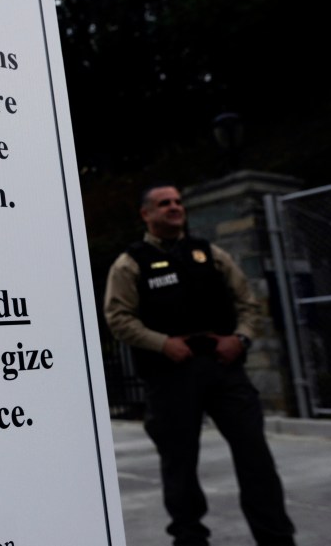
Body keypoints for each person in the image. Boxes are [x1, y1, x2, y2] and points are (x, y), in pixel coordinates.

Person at [104, 183, 295, 546]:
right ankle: (190, 538)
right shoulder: (131, 264)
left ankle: (276, 537)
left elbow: (248, 303)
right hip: (170, 377)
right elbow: (118, 318)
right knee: (179, 464)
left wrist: (240, 338)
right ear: (146, 214)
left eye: (178, 202)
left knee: (255, 455)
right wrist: (163, 344)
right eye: (164, 203)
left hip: (223, 368)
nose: (175, 207)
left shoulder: (210, 254)